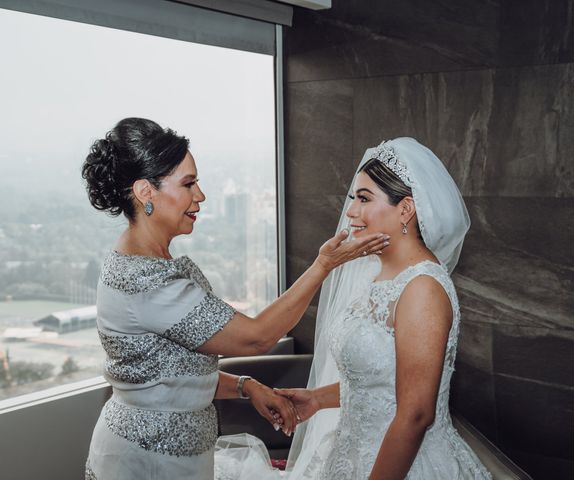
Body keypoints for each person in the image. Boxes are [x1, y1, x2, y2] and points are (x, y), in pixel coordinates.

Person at [81, 117, 389, 480]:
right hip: (147, 461)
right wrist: (324, 265)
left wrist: (247, 386)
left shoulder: (155, 264)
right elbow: (256, 336)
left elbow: (173, 373)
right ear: (146, 191)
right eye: (189, 183)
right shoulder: (146, 281)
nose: (200, 195)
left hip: (179, 455)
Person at [216, 137, 492, 479]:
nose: (351, 212)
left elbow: (416, 414)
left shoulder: (422, 288)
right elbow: (381, 383)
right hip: (351, 457)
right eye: (353, 199)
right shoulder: (378, 276)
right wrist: (318, 399)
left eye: (364, 199)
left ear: (405, 209)